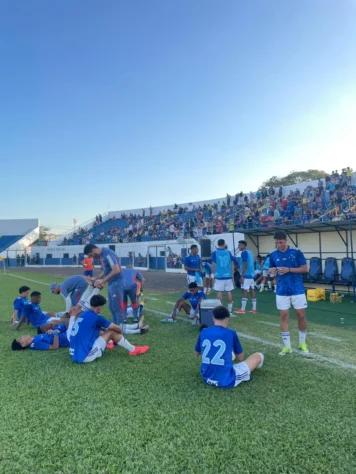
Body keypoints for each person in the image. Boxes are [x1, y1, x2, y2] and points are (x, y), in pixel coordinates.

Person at [194, 306, 264, 388]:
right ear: (227, 319)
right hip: (227, 380)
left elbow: (196, 353)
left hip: (206, 377)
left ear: (213, 318)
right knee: (259, 355)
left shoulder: (204, 331)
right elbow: (241, 357)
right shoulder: (231, 333)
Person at [69, 294, 149, 363]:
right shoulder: (97, 318)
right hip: (85, 356)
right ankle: (133, 349)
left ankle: (111, 342)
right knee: (111, 332)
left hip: (73, 353)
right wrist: (118, 335)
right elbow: (117, 328)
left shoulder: (84, 314)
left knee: (101, 331)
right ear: (99, 308)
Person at [269, 230, 309, 355]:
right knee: (284, 316)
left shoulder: (296, 252)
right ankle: (287, 346)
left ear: (286, 241)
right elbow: (270, 268)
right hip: (281, 290)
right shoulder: (273, 254)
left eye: (280, 242)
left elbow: (305, 269)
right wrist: (272, 272)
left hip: (297, 289)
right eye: (276, 242)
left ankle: (302, 343)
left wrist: (289, 269)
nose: (278, 245)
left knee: (300, 315)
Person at [83, 244, 125, 326]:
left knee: (117, 309)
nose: (92, 257)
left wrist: (103, 280)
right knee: (112, 308)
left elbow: (116, 270)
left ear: (93, 250)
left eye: (91, 255)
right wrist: (96, 278)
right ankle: (115, 327)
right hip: (112, 283)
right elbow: (106, 270)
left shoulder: (108, 253)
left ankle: (120, 330)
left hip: (117, 283)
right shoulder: (102, 255)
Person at [211, 239, 234, 314]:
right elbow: (232, 263)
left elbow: (213, 265)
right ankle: (230, 309)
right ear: (224, 244)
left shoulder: (215, 253)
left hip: (219, 275)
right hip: (228, 275)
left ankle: (220, 309)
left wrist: (212, 274)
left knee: (219, 291)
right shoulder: (228, 252)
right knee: (229, 291)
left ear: (218, 244)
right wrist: (232, 274)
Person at [236, 240, 257, 314]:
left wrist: (242, 276)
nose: (239, 247)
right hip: (251, 274)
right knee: (252, 290)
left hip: (246, 275)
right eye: (238, 245)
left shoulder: (244, 252)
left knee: (245, 290)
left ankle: (243, 309)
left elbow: (245, 265)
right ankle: (254, 309)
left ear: (244, 245)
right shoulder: (250, 252)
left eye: (240, 245)